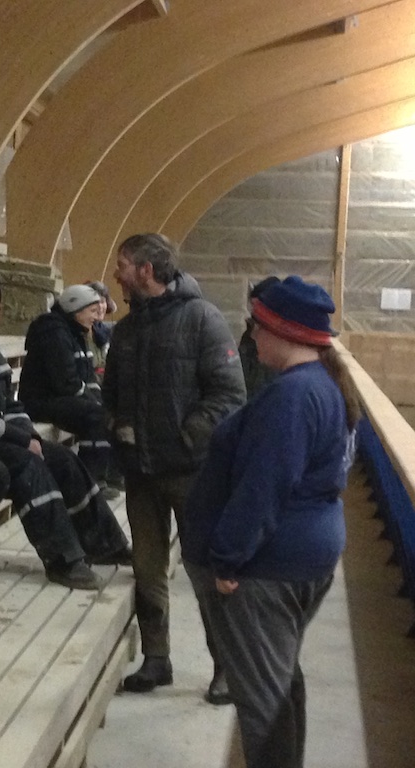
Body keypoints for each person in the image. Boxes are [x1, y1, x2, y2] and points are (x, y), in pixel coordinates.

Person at [181, 276, 359, 768]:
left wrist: (227, 558)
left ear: (284, 332)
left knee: (263, 704)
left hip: (267, 569)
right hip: (302, 554)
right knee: (279, 684)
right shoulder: (320, 384)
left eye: (257, 326)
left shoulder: (292, 396)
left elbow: (264, 486)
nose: (252, 335)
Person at [102, 233, 246, 700]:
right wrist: (117, 426)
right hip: (141, 473)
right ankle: (156, 658)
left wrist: (186, 438)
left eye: (123, 265)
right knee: (148, 570)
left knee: (205, 571)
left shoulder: (203, 319)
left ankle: (226, 667)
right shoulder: (126, 330)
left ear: (146, 271)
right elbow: (111, 395)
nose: (117, 274)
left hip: (191, 473)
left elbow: (228, 395)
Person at [0, 266, 130, 588]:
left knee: (64, 459)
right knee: (28, 464)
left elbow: (11, 405)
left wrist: (28, 435)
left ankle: (104, 543)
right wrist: (21, 440)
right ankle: (64, 560)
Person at [20, 284, 114, 491]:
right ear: (76, 310)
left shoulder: (76, 332)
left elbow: (87, 377)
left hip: (60, 398)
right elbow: (66, 383)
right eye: (92, 311)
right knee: (96, 416)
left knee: (108, 410)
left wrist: (99, 399)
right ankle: (88, 481)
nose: (96, 317)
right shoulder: (53, 332)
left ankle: (107, 476)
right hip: (40, 401)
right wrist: (94, 403)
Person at [239, 276, 280, 399]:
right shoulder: (249, 333)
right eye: (252, 305)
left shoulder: (279, 336)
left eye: (257, 305)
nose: (253, 310)